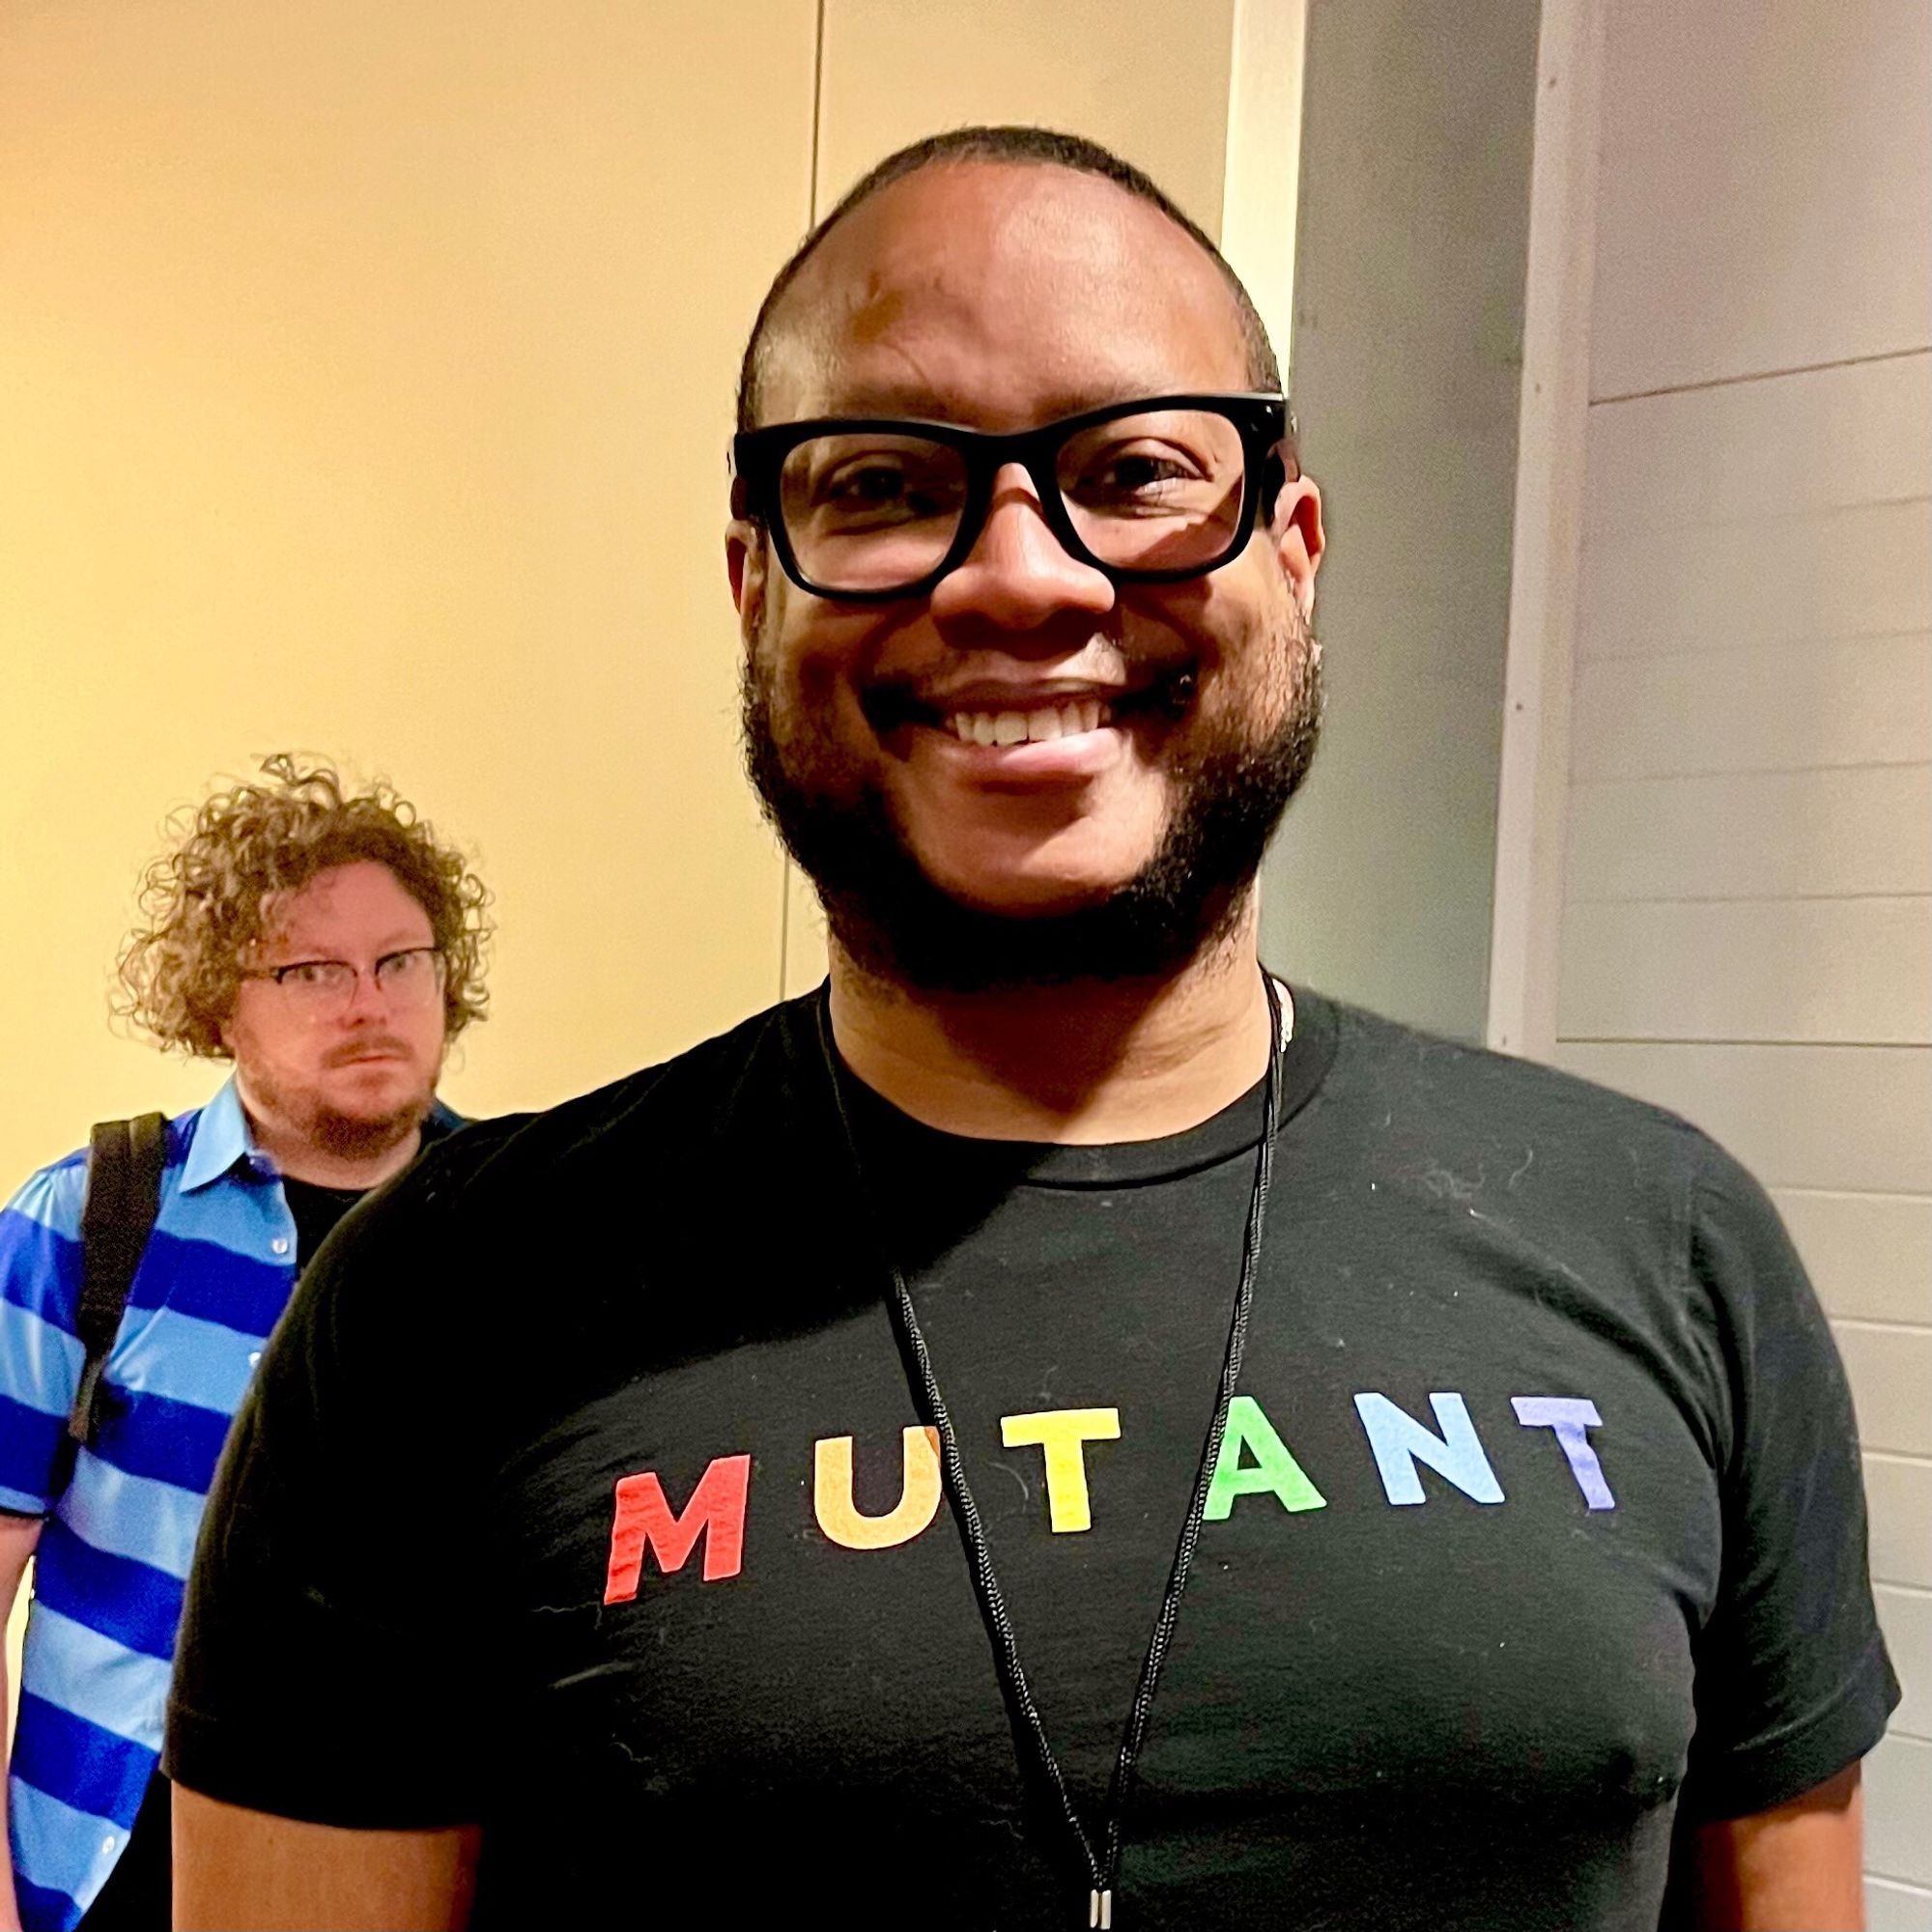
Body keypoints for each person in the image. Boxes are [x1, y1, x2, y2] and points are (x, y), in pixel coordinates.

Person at [166, 131, 1896, 1932]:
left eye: (1133, 468)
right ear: (756, 581)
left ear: (1293, 551)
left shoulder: (1662, 1240)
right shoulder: (444, 1305)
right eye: (888, 484)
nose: (1020, 575)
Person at [0, 755, 489, 1932]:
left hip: (414, 1851)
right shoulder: (89, 1220)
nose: (368, 1001)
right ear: (221, 1001)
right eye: (312, 968)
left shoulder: (513, 1230)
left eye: (399, 959)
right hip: (112, 1852)